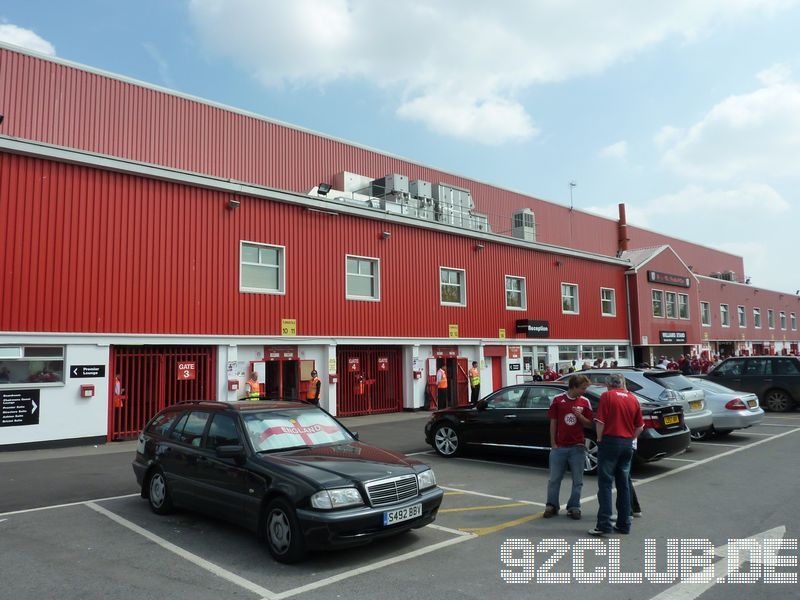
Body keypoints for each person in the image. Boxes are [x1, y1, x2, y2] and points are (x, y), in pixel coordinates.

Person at [588, 373, 643, 536]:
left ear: (608, 384)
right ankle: (624, 523)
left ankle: (604, 524)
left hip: (610, 442)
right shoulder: (633, 398)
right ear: (622, 383)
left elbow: (600, 422)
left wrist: (599, 439)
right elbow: (639, 426)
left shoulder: (607, 396)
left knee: (605, 484)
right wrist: (630, 438)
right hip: (627, 444)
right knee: (623, 484)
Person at [543, 374, 593, 520]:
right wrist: (553, 443)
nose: (584, 391)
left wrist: (580, 416)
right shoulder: (558, 400)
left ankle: (574, 506)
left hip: (577, 446)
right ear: (574, 387)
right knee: (554, 479)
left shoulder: (585, 402)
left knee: (578, 480)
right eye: (582, 388)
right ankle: (552, 505)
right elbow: (553, 422)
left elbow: (589, 424)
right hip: (560, 446)